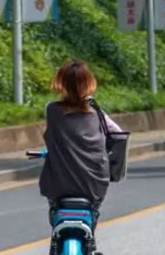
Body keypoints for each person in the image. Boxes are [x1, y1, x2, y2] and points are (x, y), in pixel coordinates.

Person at [39, 59, 121, 235]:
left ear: (60, 84)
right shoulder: (96, 113)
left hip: (59, 185)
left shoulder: (51, 110)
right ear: (89, 84)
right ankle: (89, 237)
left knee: (54, 206)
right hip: (93, 183)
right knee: (93, 210)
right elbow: (117, 133)